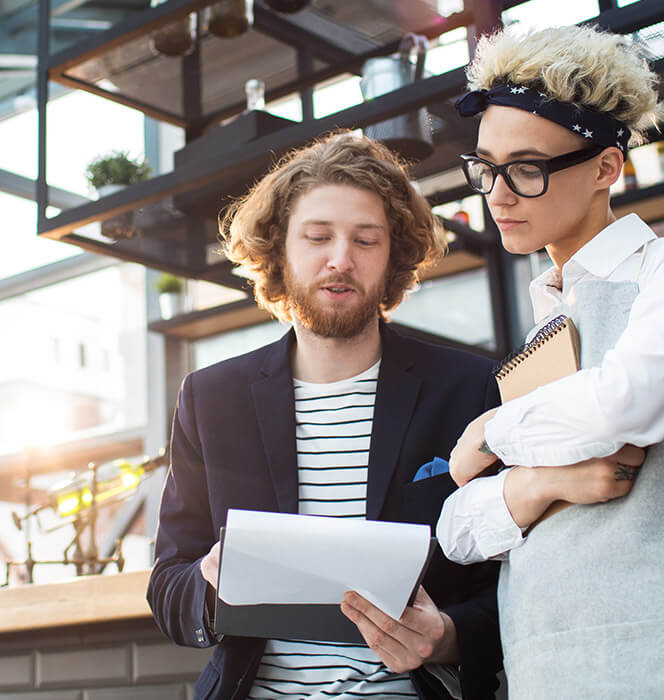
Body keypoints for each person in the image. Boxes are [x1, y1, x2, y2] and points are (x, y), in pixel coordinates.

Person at [435, 24, 664, 698]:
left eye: (527, 169)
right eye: (485, 167)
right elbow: (457, 527)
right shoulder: (542, 326)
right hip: (545, 664)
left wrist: (493, 431)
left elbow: (629, 403)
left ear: (606, 167)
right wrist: (539, 486)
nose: (498, 194)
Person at [146, 133, 509, 700]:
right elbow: (168, 590)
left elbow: (516, 580)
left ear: (393, 257)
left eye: (366, 240)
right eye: (317, 237)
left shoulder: (470, 390)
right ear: (279, 249)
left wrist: (446, 637)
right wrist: (210, 583)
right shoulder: (210, 397)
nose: (341, 258)